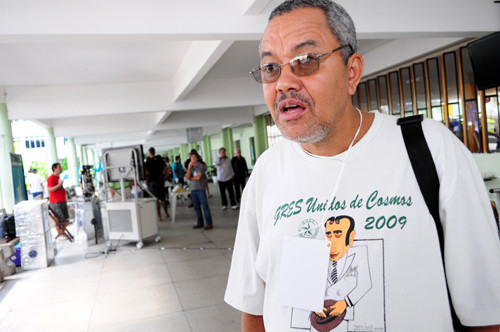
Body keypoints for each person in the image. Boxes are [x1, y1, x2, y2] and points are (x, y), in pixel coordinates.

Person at [224, 1, 500, 331]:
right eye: (271, 68)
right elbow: (254, 310)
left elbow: (487, 313)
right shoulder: (267, 172)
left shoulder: (430, 148)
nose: (283, 83)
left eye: (306, 61)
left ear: (351, 72)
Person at [186, 152, 213, 230]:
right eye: (191, 157)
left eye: (194, 157)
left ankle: (209, 223)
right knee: (196, 207)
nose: (193, 158)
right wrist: (188, 168)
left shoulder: (201, 166)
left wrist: (190, 178)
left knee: (205, 206)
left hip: (200, 189)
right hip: (193, 190)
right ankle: (200, 222)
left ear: (197, 158)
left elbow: (198, 177)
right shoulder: (190, 167)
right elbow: (187, 176)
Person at [145, 147, 169, 221]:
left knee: (156, 199)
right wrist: (164, 177)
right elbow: (165, 169)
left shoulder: (148, 162)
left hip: (152, 182)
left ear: (149, 153)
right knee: (163, 198)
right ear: (154, 152)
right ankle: (166, 213)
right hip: (160, 181)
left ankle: (159, 216)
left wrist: (147, 183)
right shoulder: (160, 159)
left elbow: (146, 173)